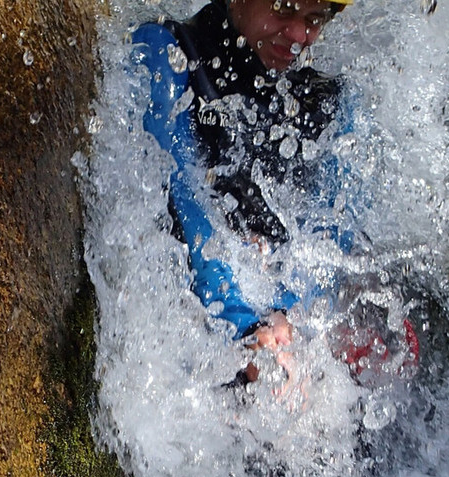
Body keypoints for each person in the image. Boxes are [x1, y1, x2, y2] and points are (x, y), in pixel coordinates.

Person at [131, 0, 357, 385]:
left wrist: (291, 315)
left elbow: (335, 236)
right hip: (200, 312)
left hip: (276, 301)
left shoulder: (329, 100)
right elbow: (180, 197)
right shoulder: (167, 53)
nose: (299, 36)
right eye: (285, 8)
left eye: (314, 20)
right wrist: (246, 326)